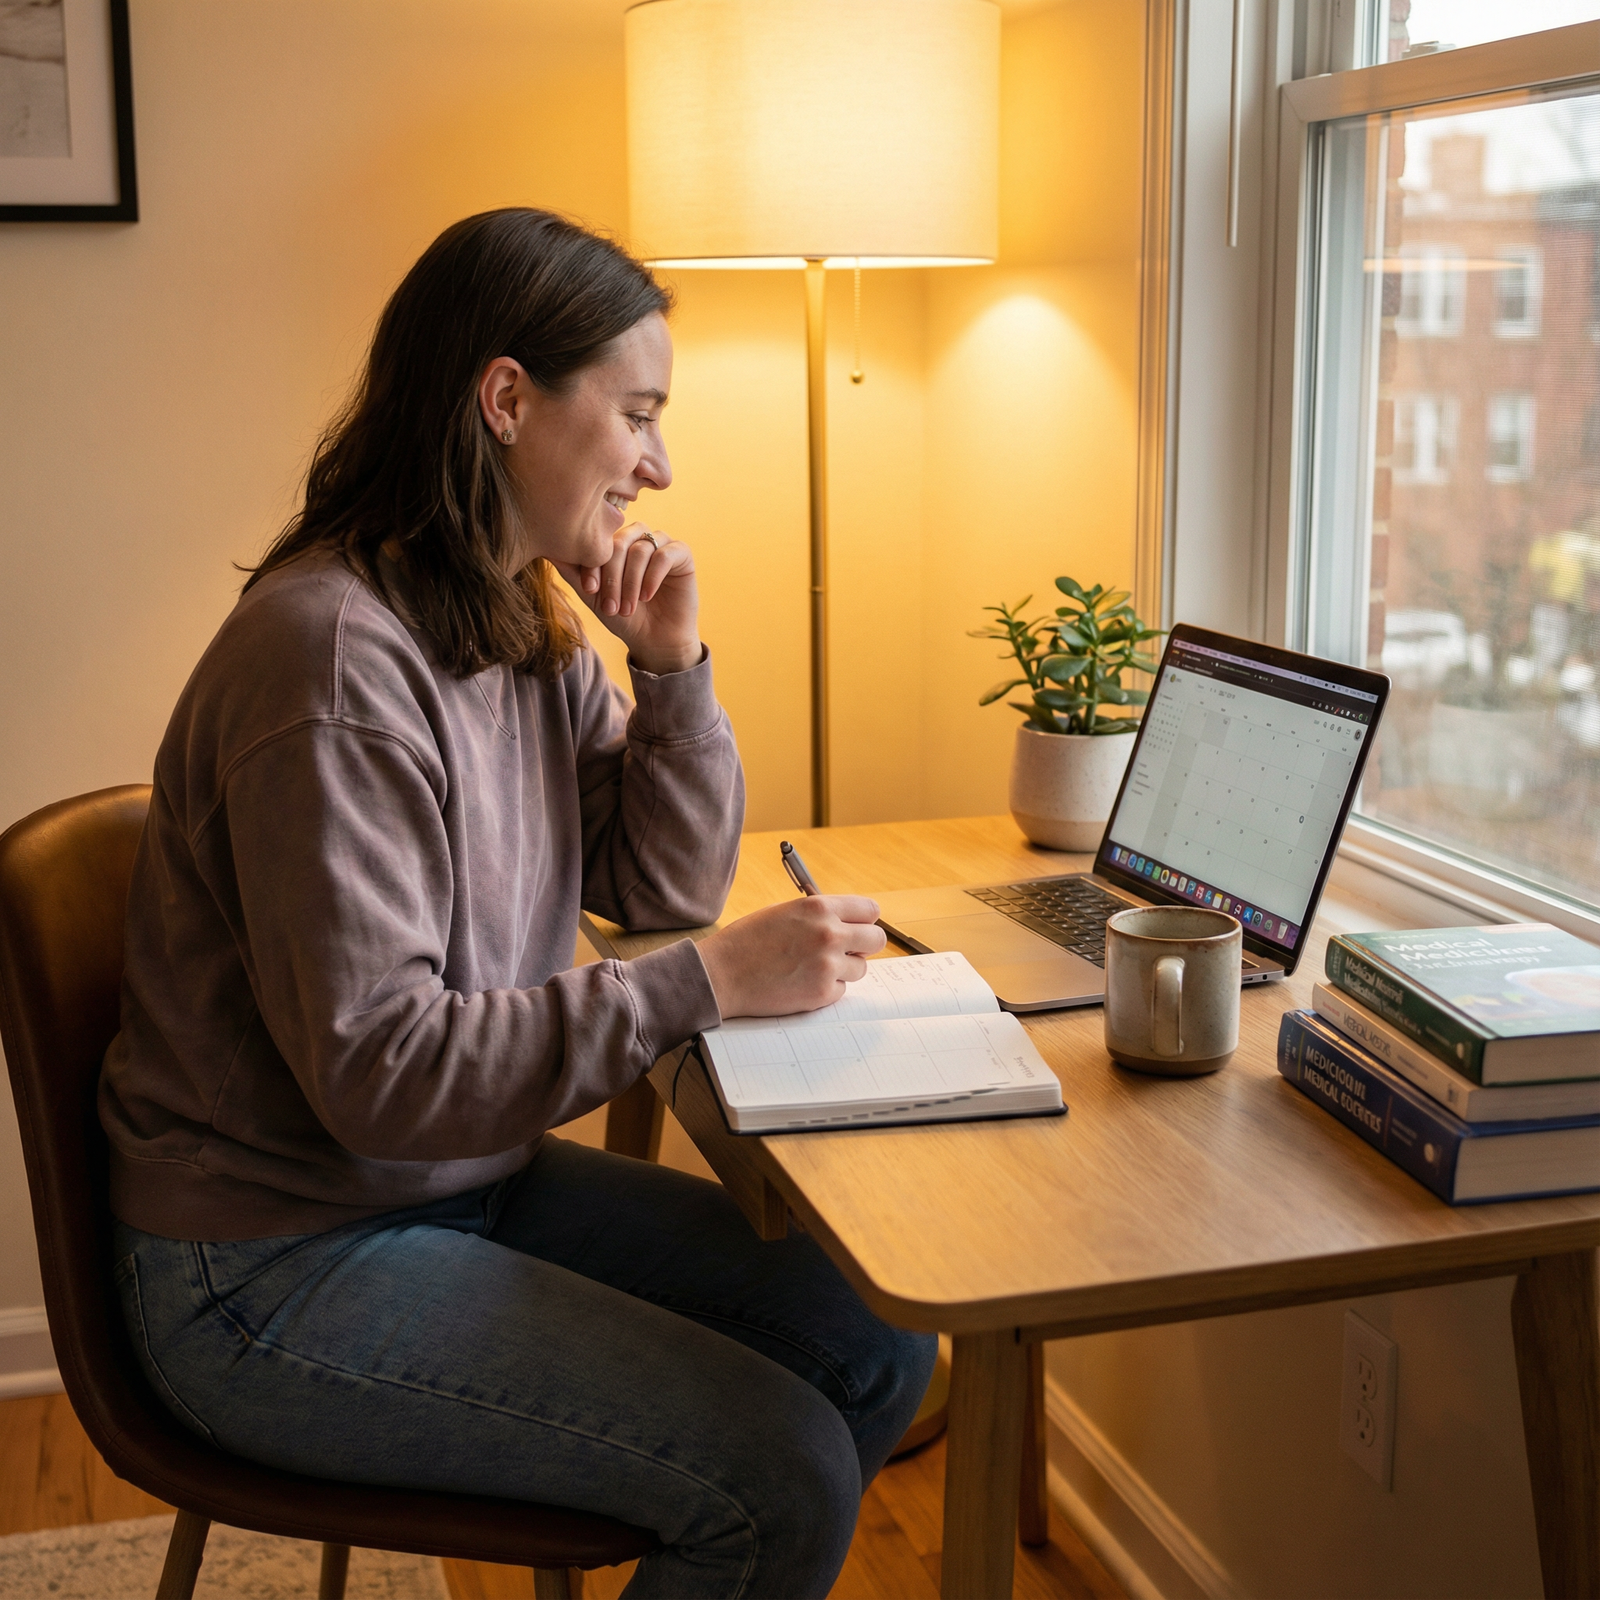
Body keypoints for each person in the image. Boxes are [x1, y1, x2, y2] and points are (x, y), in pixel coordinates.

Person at [99, 208, 937, 1598]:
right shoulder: (332, 669)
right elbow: (382, 1076)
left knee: (875, 1340)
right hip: (265, 1261)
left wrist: (670, 669)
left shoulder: (516, 620)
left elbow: (660, 883)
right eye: (638, 414)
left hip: (444, 1188)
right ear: (505, 399)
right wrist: (708, 982)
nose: (660, 464)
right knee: (774, 1474)